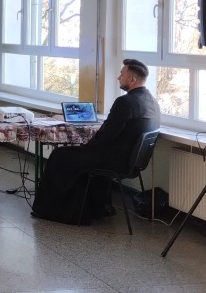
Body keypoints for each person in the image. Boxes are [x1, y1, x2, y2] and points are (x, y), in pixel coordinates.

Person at [31, 58, 160, 224]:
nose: (118, 77)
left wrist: (85, 147)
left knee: (59, 155)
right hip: (132, 161)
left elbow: (106, 135)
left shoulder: (125, 102)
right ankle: (95, 207)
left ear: (132, 80)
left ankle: (55, 211)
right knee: (73, 155)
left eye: (122, 74)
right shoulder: (152, 102)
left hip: (114, 160)